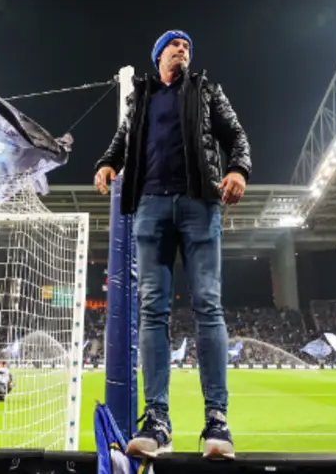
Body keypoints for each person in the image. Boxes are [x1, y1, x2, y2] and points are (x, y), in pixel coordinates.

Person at [94, 29, 251, 461]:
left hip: (199, 203)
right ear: (159, 55)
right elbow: (123, 140)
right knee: (152, 310)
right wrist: (106, 163)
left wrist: (238, 169)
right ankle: (157, 421)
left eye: (187, 47)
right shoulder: (141, 97)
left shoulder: (206, 90)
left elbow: (236, 136)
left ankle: (217, 421)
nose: (183, 50)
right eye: (175, 45)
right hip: (150, 206)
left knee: (208, 305)